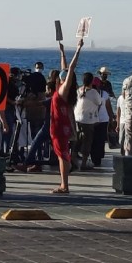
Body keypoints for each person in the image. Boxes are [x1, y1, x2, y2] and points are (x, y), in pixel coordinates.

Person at [49, 38, 83, 194]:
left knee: (62, 155)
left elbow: (70, 69)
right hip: (61, 126)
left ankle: (64, 185)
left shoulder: (63, 92)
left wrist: (78, 50)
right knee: (62, 154)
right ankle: (64, 183)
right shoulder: (64, 91)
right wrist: (62, 52)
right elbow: (65, 68)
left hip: (59, 127)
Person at [74, 72, 102, 171]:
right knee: (87, 142)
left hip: (77, 118)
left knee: (77, 141)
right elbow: (99, 102)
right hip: (88, 120)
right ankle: (84, 164)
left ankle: (72, 161)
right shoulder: (94, 92)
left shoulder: (78, 90)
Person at [90, 76, 115, 167]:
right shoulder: (104, 93)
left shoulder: (88, 93)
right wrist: (111, 118)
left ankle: (95, 157)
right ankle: (98, 158)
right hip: (103, 120)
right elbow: (109, 107)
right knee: (100, 140)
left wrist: (111, 118)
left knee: (94, 140)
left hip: (93, 120)